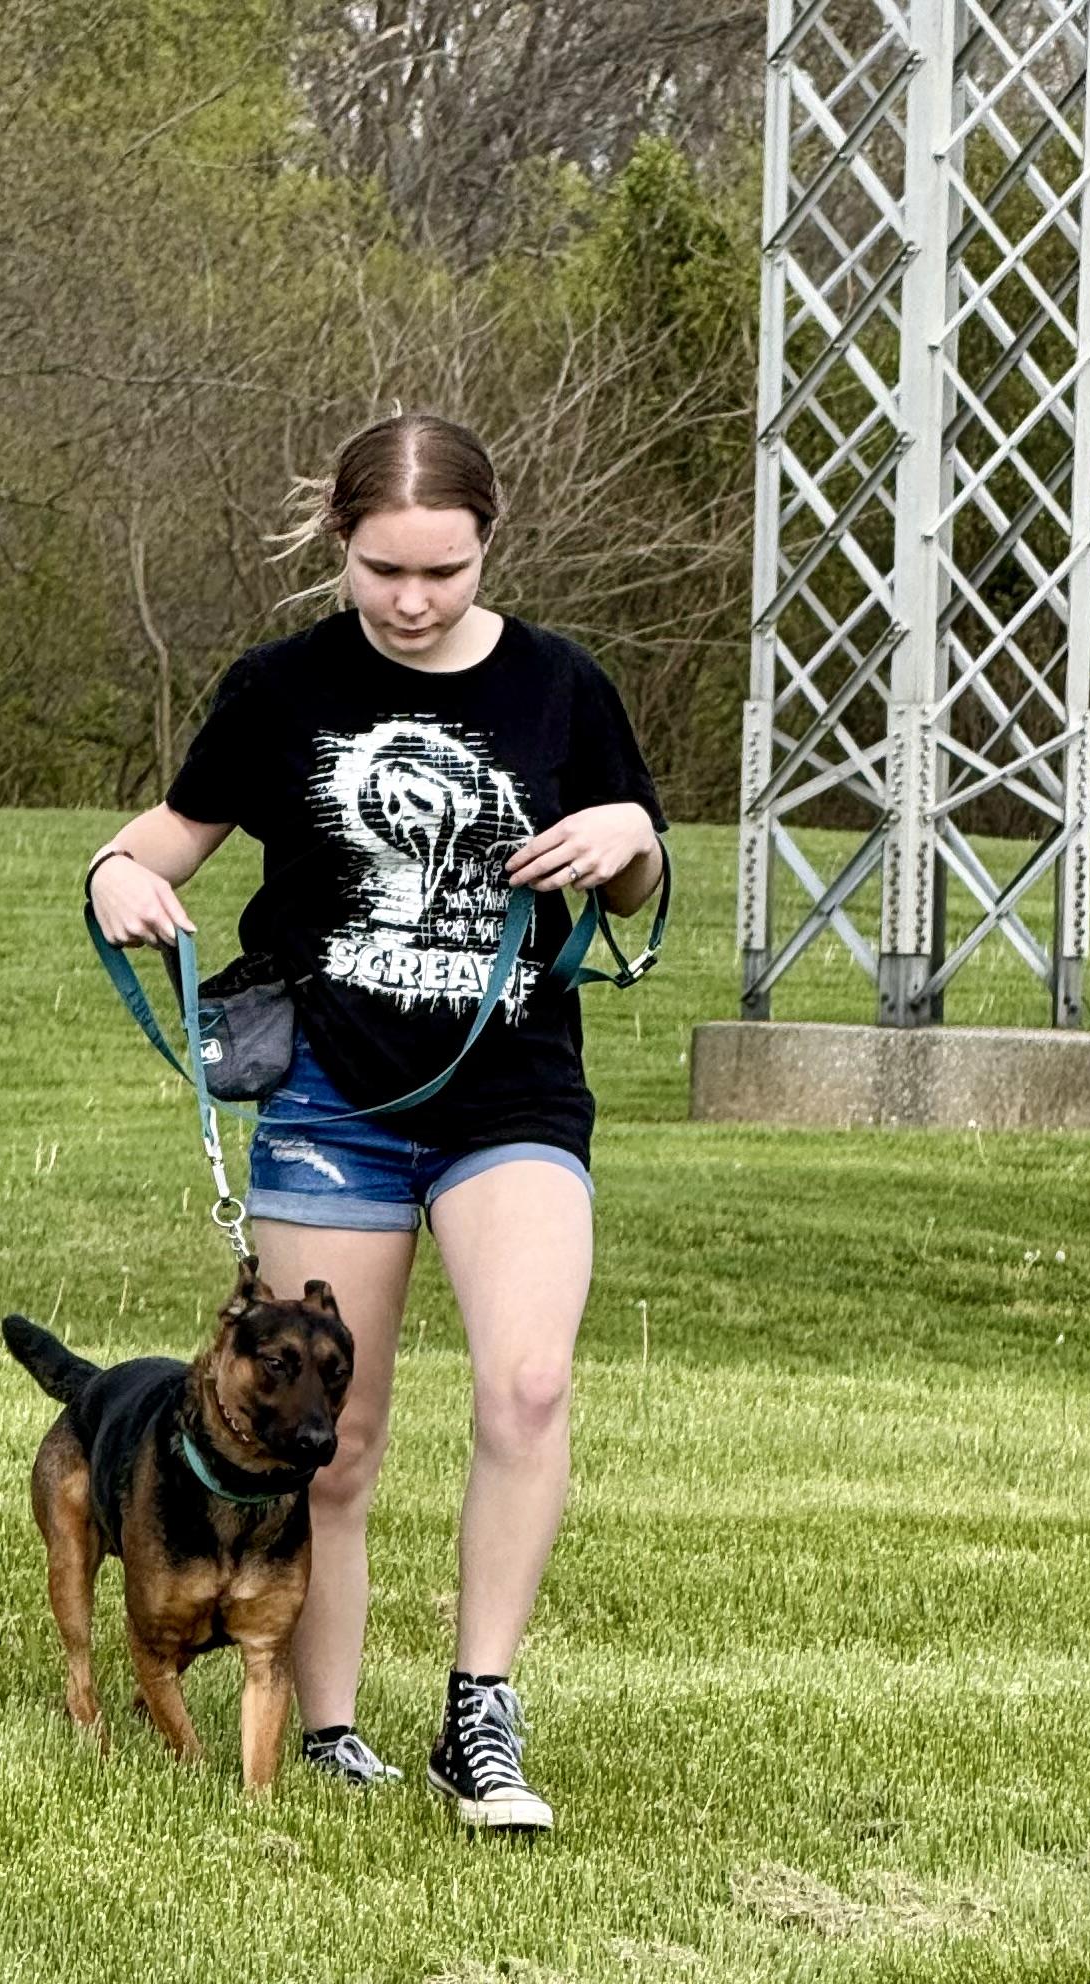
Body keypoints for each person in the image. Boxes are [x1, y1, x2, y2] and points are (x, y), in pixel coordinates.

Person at [85, 411, 667, 1833]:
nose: (411, 600)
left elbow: (638, 875)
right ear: (338, 539)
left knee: (526, 1383)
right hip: (328, 1092)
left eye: (444, 571)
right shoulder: (280, 686)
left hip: (511, 1085)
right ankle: (328, 1719)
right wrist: (115, 881)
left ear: (488, 542)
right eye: (382, 568)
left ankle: (479, 1714)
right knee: (324, 1436)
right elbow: (153, 841)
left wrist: (625, 848)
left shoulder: (559, 685)